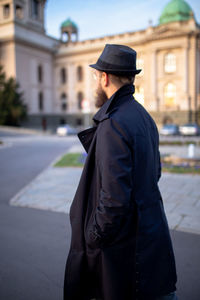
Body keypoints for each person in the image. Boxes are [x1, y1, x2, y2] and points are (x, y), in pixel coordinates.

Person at [63, 44, 178, 300]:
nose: (96, 81)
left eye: (96, 76)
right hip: (150, 237)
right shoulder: (143, 116)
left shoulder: (113, 122)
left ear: (104, 77)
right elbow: (154, 173)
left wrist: (93, 236)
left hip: (125, 251)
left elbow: (113, 200)